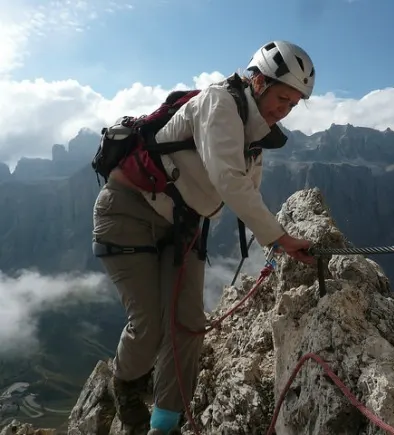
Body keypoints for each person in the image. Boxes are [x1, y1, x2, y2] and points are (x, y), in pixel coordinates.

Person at [92, 40, 317, 435]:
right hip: (127, 211)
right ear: (259, 82)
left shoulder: (256, 135)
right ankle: (126, 385)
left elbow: (248, 189)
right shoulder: (219, 103)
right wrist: (278, 237)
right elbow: (229, 180)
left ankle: (166, 422)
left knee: (190, 324)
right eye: (282, 98)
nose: (284, 110)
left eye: (292, 105)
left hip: (182, 225)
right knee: (148, 324)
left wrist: (273, 242)